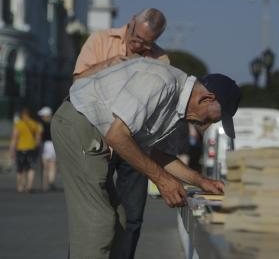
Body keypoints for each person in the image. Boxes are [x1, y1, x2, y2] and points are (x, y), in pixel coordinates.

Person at [51, 57, 241, 258]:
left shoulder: (177, 107)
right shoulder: (161, 82)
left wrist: (201, 181)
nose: (207, 124)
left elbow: (159, 155)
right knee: (98, 222)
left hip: (92, 132)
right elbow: (117, 136)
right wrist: (162, 179)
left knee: (119, 221)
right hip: (79, 123)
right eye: (212, 118)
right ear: (206, 98)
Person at [73, 7, 169, 258]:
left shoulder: (161, 60)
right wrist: (108, 66)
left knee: (133, 216)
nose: (139, 46)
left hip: (134, 143)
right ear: (130, 24)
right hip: (96, 138)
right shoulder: (100, 40)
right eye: (137, 38)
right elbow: (77, 82)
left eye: (147, 44)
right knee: (90, 213)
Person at [9, 107, 42, 193]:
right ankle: (29, 186)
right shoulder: (35, 124)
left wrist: (12, 149)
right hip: (31, 148)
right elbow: (38, 139)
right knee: (31, 168)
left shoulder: (19, 124)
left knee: (20, 169)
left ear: (22, 115)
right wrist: (37, 148)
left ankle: (20, 186)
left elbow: (14, 138)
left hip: (21, 149)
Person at [38, 106, 57, 192]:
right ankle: (51, 181)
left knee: (45, 166)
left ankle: (44, 185)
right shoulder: (54, 123)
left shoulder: (41, 124)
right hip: (53, 145)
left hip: (45, 145)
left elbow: (39, 135)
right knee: (52, 165)